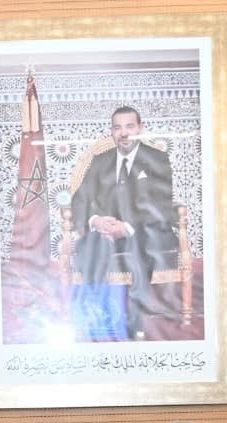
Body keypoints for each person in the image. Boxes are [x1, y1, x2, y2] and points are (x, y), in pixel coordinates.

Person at [71, 105, 179, 339]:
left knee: (141, 245)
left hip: (144, 231)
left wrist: (127, 227)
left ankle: (134, 325)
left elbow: (160, 205)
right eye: (117, 127)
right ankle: (97, 319)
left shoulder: (157, 160)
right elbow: (79, 200)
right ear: (112, 132)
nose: (124, 133)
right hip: (105, 232)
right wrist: (96, 221)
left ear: (141, 128)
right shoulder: (100, 162)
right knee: (89, 247)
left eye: (130, 126)